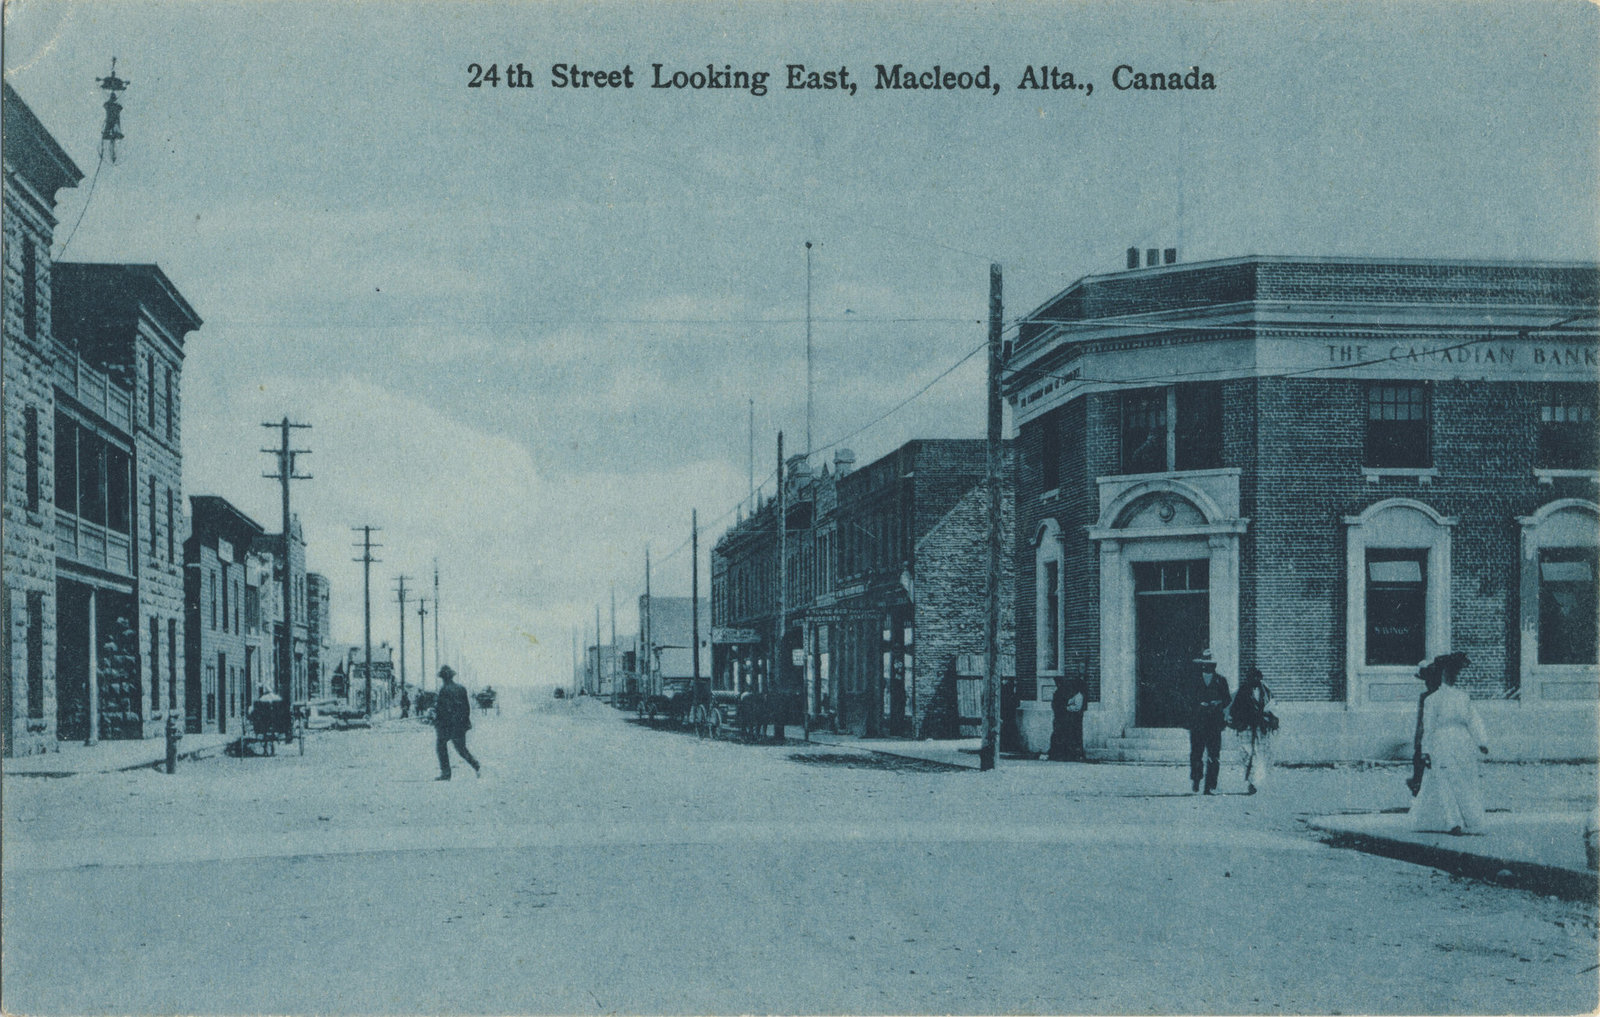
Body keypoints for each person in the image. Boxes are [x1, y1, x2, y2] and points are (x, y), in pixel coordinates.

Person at [1409, 652, 1487, 834]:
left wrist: (1481, 741)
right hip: (1442, 741)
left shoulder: (1462, 697)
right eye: (1448, 673)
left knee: (1462, 779)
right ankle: (1453, 821)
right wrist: (1426, 750)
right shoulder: (1432, 700)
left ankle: (1467, 818)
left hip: (1462, 742)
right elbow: (1428, 727)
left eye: (1453, 673)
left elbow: (1473, 720)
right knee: (1445, 779)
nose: (1451, 677)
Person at [1187, 649, 1231, 795]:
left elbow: (1227, 700)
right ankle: (1196, 779)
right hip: (1198, 723)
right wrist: (1199, 705)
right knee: (1196, 753)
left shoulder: (1221, 680)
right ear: (1202, 665)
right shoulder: (1193, 680)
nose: (1209, 666)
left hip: (1214, 723)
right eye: (1206, 664)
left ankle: (1210, 786)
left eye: (1211, 664)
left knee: (1214, 756)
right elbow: (1186, 699)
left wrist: (1217, 703)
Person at [1228, 667, 1276, 794]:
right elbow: (1234, 710)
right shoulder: (1243, 691)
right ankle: (1251, 781)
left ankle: (1256, 782)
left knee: (1260, 754)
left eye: (1258, 677)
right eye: (1253, 677)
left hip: (1261, 727)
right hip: (1247, 726)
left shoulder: (1266, 691)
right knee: (1247, 753)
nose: (1256, 680)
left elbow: (1272, 707)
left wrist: (1268, 716)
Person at [432, 665, 480, 780]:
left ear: (443, 678)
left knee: (441, 746)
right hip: (460, 724)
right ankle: (475, 765)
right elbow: (466, 708)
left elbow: (442, 709)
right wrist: (465, 723)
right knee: (461, 749)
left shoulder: (444, 690)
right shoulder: (461, 688)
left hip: (447, 725)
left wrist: (435, 719)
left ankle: (446, 773)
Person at [1406, 657, 1445, 797]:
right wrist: (1418, 740)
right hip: (1430, 737)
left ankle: (1419, 786)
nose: (1428, 684)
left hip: (1436, 737)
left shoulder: (1434, 697)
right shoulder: (1428, 697)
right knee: (1421, 764)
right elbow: (1421, 721)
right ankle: (1418, 786)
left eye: (1430, 681)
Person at [1047, 672, 1087, 762]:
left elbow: (1072, 706)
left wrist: (1065, 708)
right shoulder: (1068, 693)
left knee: (1061, 735)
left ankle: (1062, 754)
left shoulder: (1064, 693)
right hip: (1063, 717)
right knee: (1063, 736)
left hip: (1062, 717)